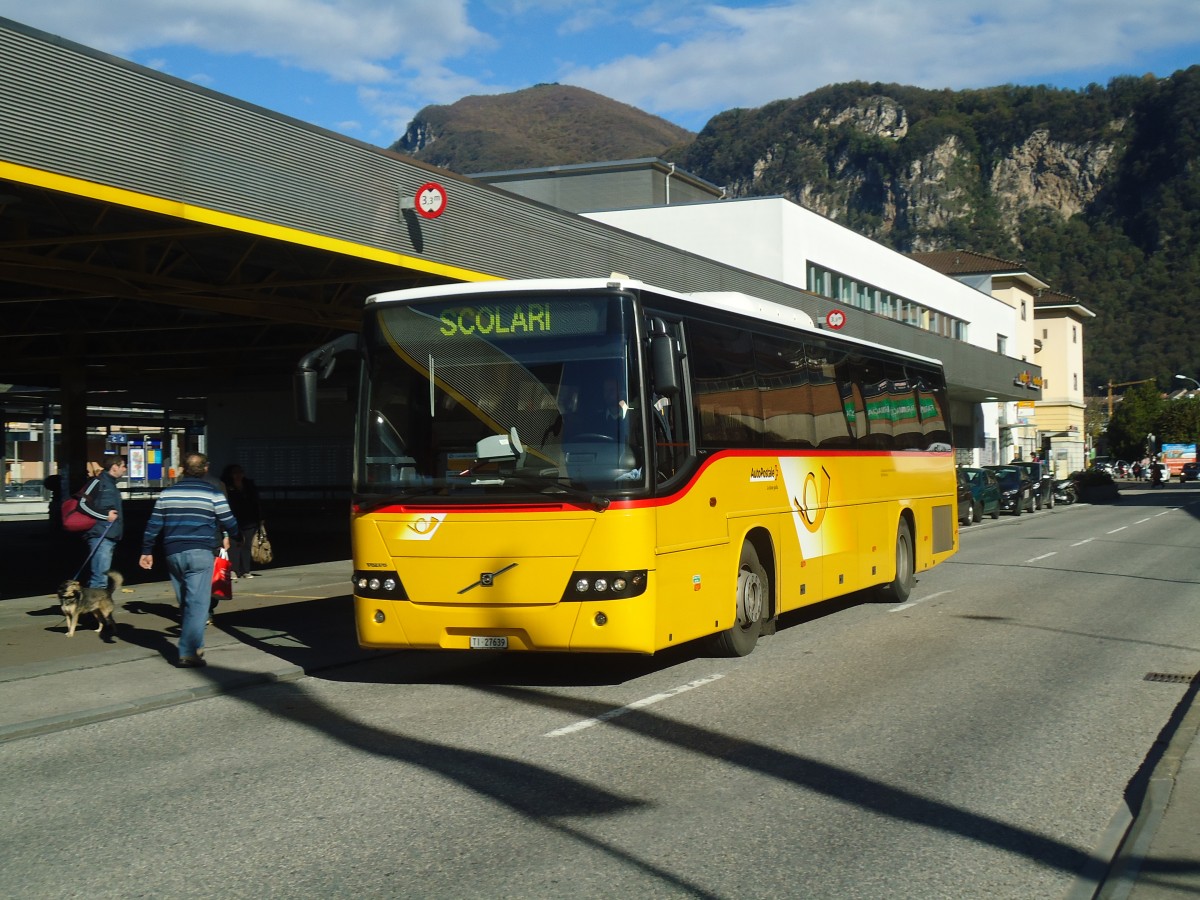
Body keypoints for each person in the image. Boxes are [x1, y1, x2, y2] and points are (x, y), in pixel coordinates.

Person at [139, 452, 241, 668]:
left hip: (173, 553)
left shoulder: (167, 494)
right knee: (198, 604)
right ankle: (189, 652)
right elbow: (229, 520)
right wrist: (237, 536)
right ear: (205, 469)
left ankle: (191, 642)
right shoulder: (213, 493)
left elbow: (153, 524)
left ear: (183, 469)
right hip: (200, 552)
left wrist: (147, 550)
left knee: (185, 601)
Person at [76, 454, 127, 589]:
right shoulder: (97, 482)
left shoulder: (112, 484)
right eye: (123, 466)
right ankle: (95, 602)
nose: (125, 469)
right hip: (100, 535)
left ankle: (95, 601)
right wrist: (105, 515)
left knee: (101, 577)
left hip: (110, 535)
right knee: (99, 579)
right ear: (114, 467)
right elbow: (82, 504)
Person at [221, 464, 262, 578]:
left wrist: (260, 518)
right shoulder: (226, 486)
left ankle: (246, 570)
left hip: (249, 520)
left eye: (240, 472)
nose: (238, 475)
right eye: (235, 473)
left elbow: (256, 502)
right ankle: (234, 569)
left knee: (247, 545)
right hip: (233, 519)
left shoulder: (249, 485)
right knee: (234, 545)